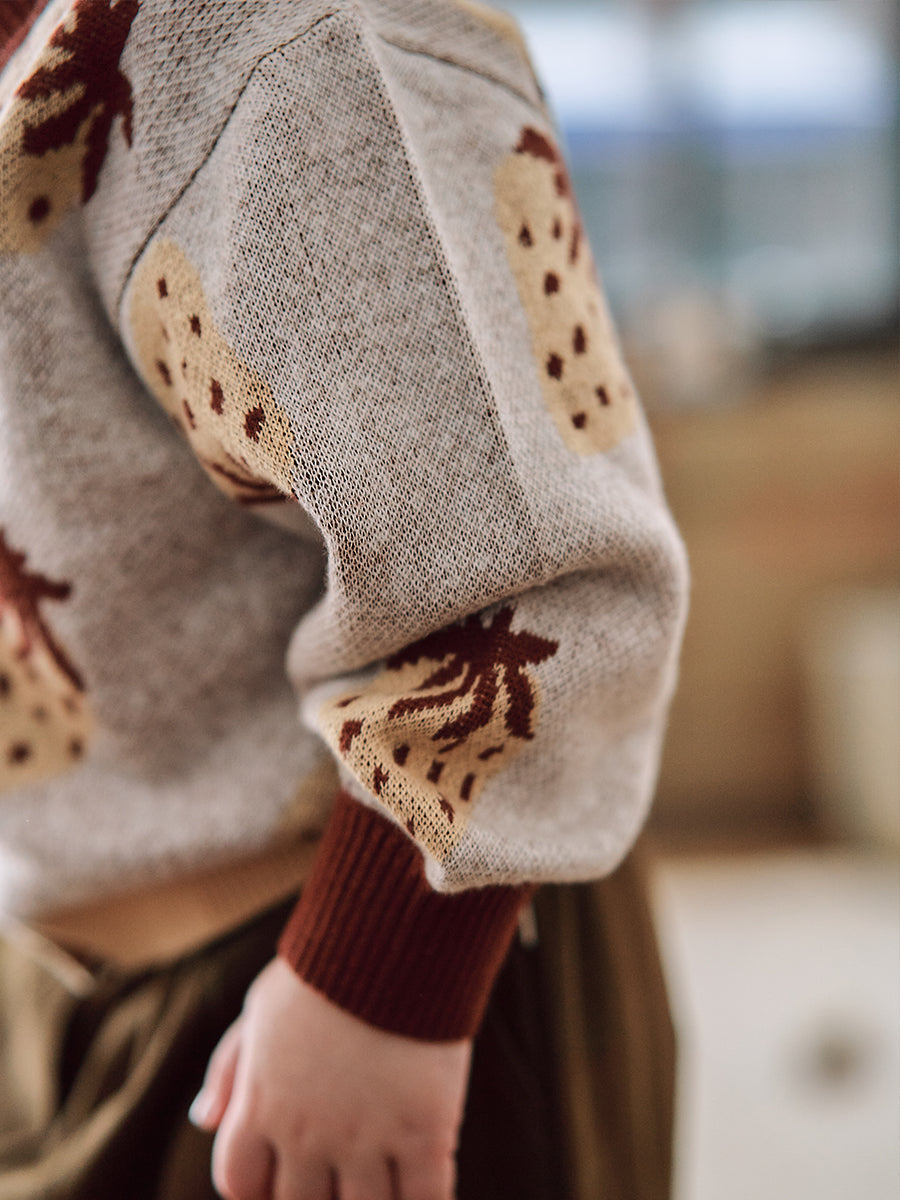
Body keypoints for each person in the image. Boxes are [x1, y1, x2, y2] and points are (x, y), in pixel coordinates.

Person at [0, 1, 688, 1197]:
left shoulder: (279, 35)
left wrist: (383, 975)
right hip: (70, 936)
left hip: (356, 965)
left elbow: (529, 556)